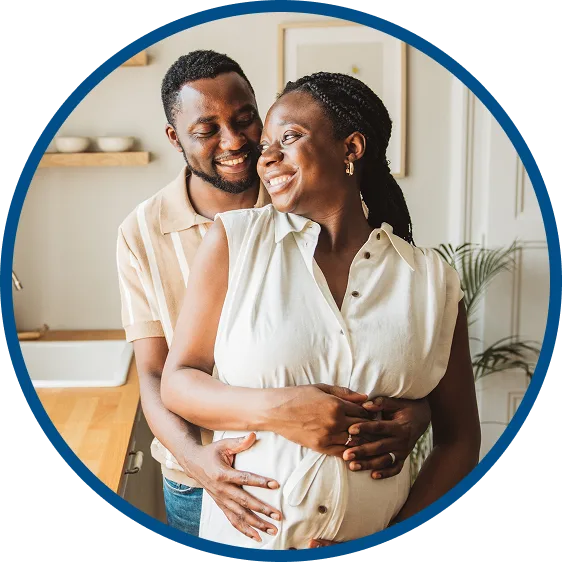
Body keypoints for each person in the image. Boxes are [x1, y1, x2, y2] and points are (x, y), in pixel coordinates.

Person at [116, 50, 432, 542]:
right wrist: (200, 463)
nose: (237, 142)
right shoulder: (144, 232)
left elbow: (378, 340)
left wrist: (417, 413)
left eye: (246, 121)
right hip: (198, 467)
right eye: (208, 130)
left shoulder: (305, 195)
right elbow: (159, 374)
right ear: (176, 139)